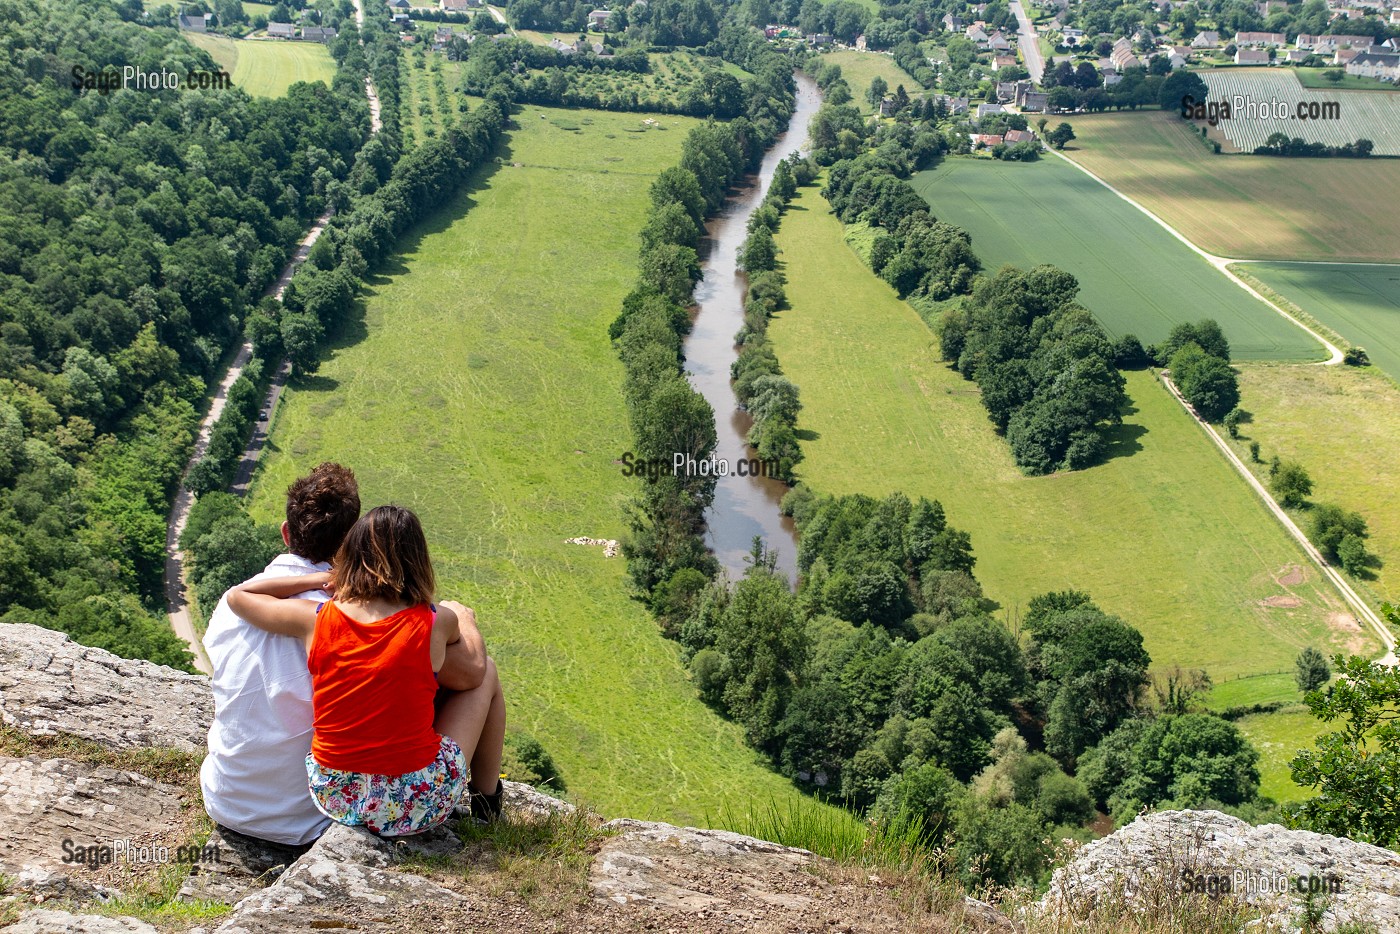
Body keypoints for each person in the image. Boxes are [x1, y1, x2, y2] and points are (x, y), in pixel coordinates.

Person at [200, 464, 498, 845]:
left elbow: (238, 596)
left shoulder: (255, 607)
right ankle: (489, 807)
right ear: (354, 546)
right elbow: (471, 673)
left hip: (231, 798)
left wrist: (320, 582)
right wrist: (463, 617)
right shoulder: (405, 621)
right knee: (470, 674)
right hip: (306, 816)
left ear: (286, 532)